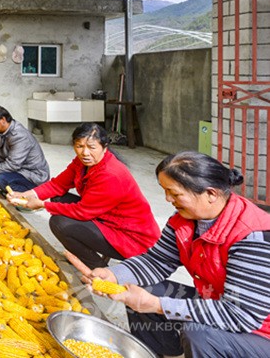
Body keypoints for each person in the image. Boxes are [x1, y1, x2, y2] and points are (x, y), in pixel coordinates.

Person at [68, 151, 270, 358]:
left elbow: (241, 314)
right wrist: (115, 275)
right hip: (217, 300)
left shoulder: (252, 237)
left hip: (259, 330)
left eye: (174, 193)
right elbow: (157, 261)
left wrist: (157, 305)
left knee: (200, 334)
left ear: (211, 194)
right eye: (165, 191)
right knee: (140, 288)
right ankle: (152, 353)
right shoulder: (184, 220)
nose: (167, 199)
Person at [8, 123, 159, 269]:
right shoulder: (82, 162)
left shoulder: (111, 174)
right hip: (104, 216)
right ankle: (84, 255)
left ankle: (99, 269)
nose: (85, 153)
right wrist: (26, 195)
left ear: (104, 147)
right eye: (79, 146)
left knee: (60, 223)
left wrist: (42, 204)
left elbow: (82, 212)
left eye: (92, 147)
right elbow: (58, 185)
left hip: (131, 237)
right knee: (59, 198)